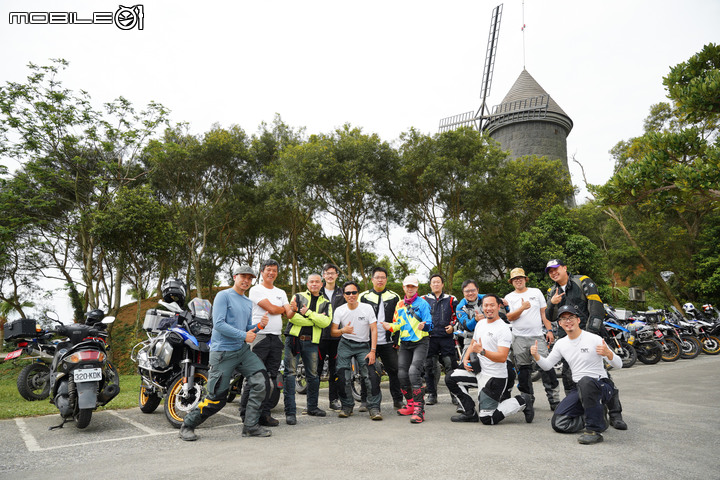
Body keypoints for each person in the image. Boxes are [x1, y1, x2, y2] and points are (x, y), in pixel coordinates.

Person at [180, 265, 271, 441]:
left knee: (261, 381)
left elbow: (245, 328)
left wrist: (259, 326)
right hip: (223, 353)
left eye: (249, 278)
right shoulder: (223, 296)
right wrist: (244, 335)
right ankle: (187, 425)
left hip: (242, 351)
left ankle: (250, 426)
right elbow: (219, 324)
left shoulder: (247, 302)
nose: (246, 280)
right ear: (235, 277)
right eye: (243, 277)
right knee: (216, 398)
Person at [544, 258, 627, 430]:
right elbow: (550, 317)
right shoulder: (552, 291)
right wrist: (552, 304)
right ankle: (580, 410)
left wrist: (592, 334)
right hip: (566, 338)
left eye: (556, 269)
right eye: (550, 271)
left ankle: (615, 413)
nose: (553, 273)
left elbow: (596, 306)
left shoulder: (582, 281)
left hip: (588, 333)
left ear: (565, 268)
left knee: (600, 374)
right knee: (568, 376)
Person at [531, 304, 625, 444]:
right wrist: (536, 356)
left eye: (571, 317)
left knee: (586, 381)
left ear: (578, 320)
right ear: (560, 324)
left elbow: (619, 364)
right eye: (564, 319)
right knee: (559, 423)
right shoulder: (561, 344)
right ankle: (599, 417)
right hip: (580, 389)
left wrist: (609, 354)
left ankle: (594, 430)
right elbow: (548, 365)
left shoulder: (594, 339)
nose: (568, 321)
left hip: (601, 385)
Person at [446, 294, 533, 425]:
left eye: (492, 305)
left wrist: (482, 352)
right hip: (479, 372)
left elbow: (502, 357)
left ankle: (523, 400)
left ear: (499, 306)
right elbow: (474, 342)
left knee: (488, 419)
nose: (488, 308)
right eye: (486, 305)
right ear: (482, 307)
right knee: (450, 378)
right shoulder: (481, 323)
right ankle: (469, 413)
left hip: (494, 378)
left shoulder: (503, 329)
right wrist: (465, 359)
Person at [240, 259, 293, 427]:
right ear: (262, 272)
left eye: (274, 270)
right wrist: (283, 308)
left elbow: (290, 314)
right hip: (259, 338)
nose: (271, 273)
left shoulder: (281, 292)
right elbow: (272, 309)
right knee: (254, 377)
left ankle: (265, 414)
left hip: (276, 338)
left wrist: (286, 309)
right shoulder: (256, 289)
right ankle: (247, 416)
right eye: (268, 270)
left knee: (271, 377)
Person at [504, 267, 560, 410]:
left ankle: (554, 399)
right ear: (511, 282)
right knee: (523, 370)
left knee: (546, 366)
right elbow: (509, 318)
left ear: (525, 279)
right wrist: (522, 308)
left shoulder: (536, 292)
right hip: (518, 338)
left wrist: (549, 330)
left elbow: (544, 313)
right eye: (515, 279)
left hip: (537, 336)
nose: (518, 280)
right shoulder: (509, 297)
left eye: (520, 278)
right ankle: (527, 399)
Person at [380, 275, 432, 424]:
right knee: (401, 374)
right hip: (405, 343)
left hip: (420, 342)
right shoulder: (400, 304)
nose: (410, 289)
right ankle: (410, 404)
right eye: (407, 286)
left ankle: (419, 409)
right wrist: (388, 326)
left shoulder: (422, 304)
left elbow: (430, 323)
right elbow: (398, 324)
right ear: (403, 287)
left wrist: (425, 325)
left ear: (417, 288)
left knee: (413, 372)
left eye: (413, 286)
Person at [283, 273, 332, 425]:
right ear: (307, 283)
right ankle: (290, 412)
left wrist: (308, 313)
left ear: (321, 284)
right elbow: (292, 317)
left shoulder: (326, 302)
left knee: (313, 376)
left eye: (317, 282)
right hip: (293, 340)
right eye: (311, 281)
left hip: (312, 342)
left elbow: (326, 322)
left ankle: (312, 407)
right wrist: (314, 320)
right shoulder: (297, 297)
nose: (314, 284)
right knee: (290, 375)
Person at [331, 281, 382, 420]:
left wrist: (373, 351)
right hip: (345, 344)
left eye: (354, 292)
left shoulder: (367, 308)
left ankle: (374, 408)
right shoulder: (340, 310)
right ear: (344, 295)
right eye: (348, 293)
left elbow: (374, 329)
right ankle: (347, 406)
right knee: (342, 376)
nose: (351, 295)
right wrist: (343, 330)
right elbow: (333, 332)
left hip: (363, 345)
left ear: (358, 294)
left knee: (371, 374)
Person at [359, 266, 404, 410]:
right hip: (368, 341)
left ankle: (398, 400)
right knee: (366, 371)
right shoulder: (364, 296)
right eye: (377, 277)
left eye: (382, 277)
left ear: (386, 279)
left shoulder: (394, 296)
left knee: (395, 371)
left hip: (388, 341)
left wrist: (397, 339)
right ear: (372, 279)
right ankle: (364, 401)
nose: (380, 280)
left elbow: (400, 320)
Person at [422, 274, 458, 405]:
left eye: (438, 282)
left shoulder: (452, 299)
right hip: (430, 338)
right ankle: (432, 394)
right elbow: (419, 316)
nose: (436, 284)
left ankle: (455, 395)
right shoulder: (424, 299)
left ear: (442, 284)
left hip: (446, 338)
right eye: (433, 282)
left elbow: (456, 316)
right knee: (429, 367)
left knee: (450, 366)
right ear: (430, 285)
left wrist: (453, 327)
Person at [319, 263, 346, 411]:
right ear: (323, 275)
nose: (330, 275)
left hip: (337, 337)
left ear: (336, 275)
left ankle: (333, 399)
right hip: (320, 337)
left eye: (332, 273)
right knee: (315, 370)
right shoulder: (316, 291)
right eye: (327, 273)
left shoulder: (343, 293)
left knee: (335, 370)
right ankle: (312, 402)